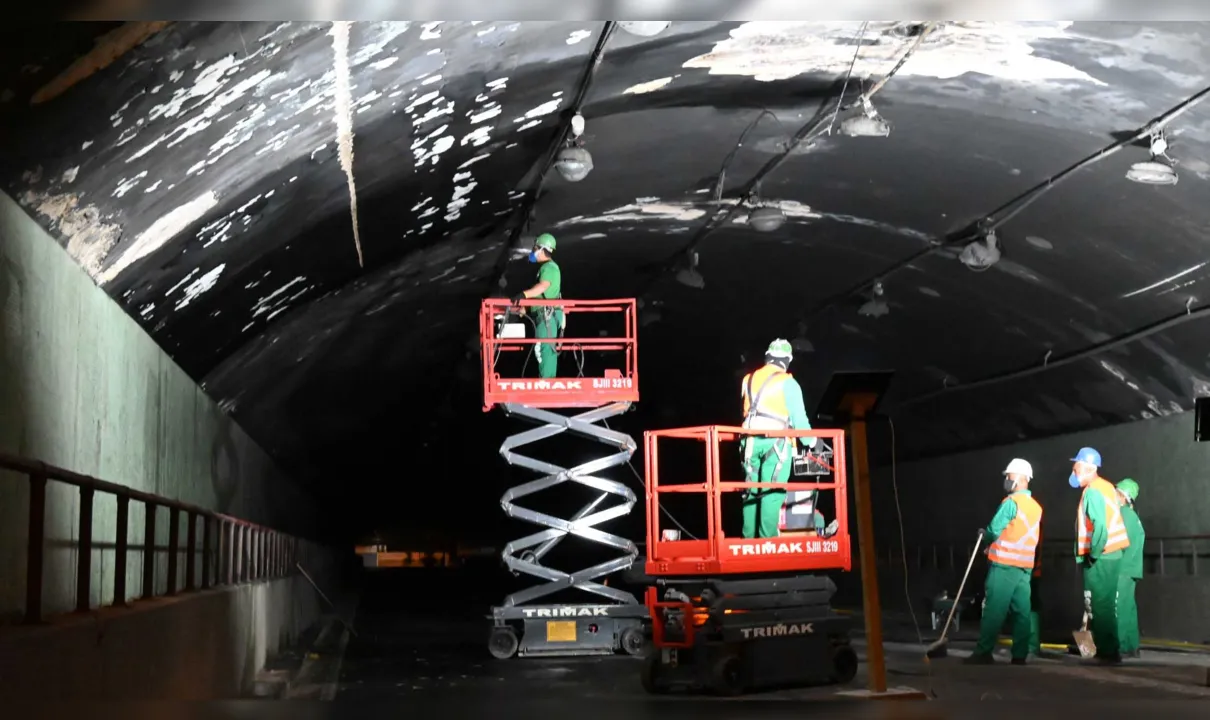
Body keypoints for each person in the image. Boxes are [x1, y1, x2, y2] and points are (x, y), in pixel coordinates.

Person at [966, 458, 1043, 665]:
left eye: (1009, 476)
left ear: (1019, 478)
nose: (1007, 480)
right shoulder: (1036, 507)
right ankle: (1019, 655)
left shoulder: (1011, 503)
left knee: (993, 610)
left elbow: (994, 529)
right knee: (1021, 612)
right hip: (1024, 567)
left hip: (1003, 566)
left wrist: (985, 535)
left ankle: (983, 653)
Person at [739, 339, 815, 539]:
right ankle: (768, 540)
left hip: (749, 442)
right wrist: (812, 442)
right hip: (777, 442)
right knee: (772, 491)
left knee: (750, 490)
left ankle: (748, 540)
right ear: (788, 360)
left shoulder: (748, 379)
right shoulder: (788, 383)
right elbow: (800, 420)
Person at [1069, 447, 1130, 664]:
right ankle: (1109, 648)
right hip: (1113, 554)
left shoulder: (1093, 490)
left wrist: (1093, 554)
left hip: (1101, 557)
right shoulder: (1106, 487)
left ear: (1088, 468)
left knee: (1099, 605)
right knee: (1104, 604)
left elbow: (1100, 526)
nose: (1074, 472)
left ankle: (1108, 652)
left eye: (1076, 468)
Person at [510, 233, 563, 378]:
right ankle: (548, 381)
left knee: (544, 349)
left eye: (535, 248)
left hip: (547, 316)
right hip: (545, 316)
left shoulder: (549, 268)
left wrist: (524, 294)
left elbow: (542, 287)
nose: (533, 252)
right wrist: (522, 310)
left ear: (542, 249)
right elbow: (539, 294)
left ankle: (546, 383)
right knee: (546, 349)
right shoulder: (547, 268)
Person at [1115, 478, 1145, 658]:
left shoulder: (1123, 515)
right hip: (1132, 568)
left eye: (1117, 493)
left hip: (1122, 568)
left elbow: (1119, 543)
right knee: (1129, 607)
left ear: (1124, 496)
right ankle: (1131, 645)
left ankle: (1117, 647)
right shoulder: (1133, 516)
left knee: (1118, 607)